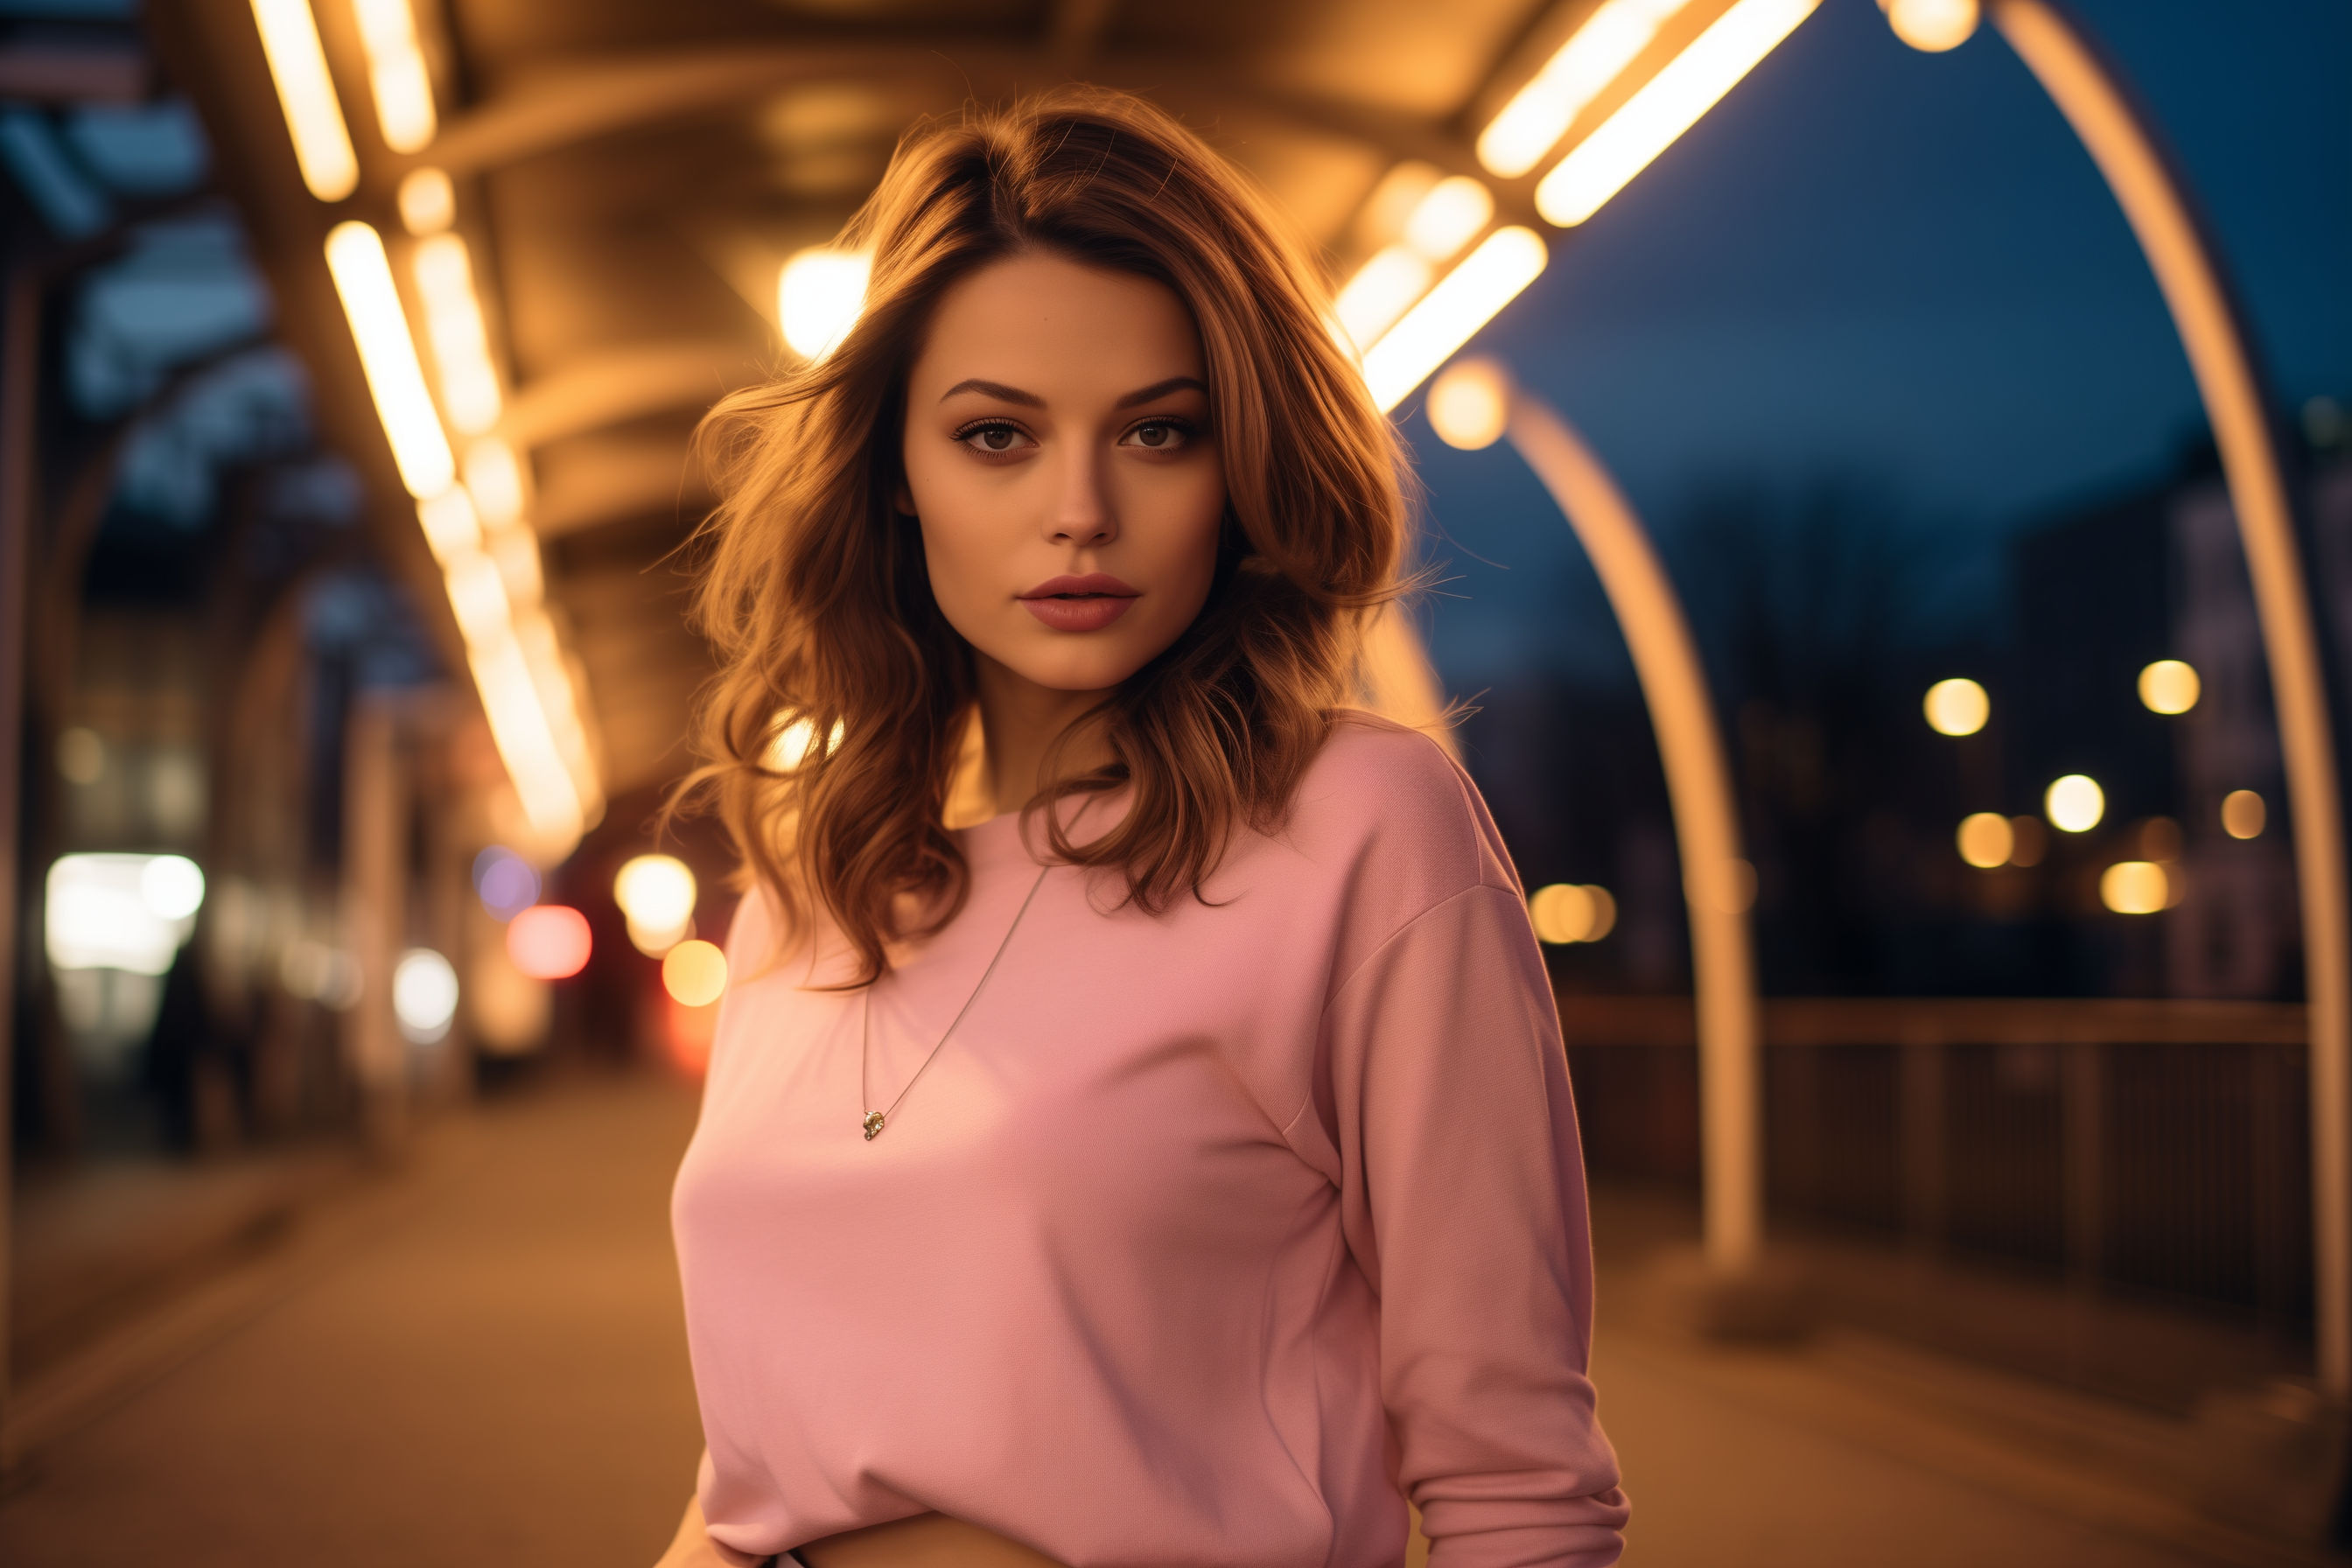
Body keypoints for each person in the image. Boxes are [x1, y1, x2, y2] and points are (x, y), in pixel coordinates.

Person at [657, 85, 1627, 1568]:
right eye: (996, 437)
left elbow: (1521, 1490)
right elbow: (748, 1488)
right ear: (895, 478)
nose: (1081, 510)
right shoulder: (806, 878)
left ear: (1241, 468)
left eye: (1160, 432)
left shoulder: (1358, 831)